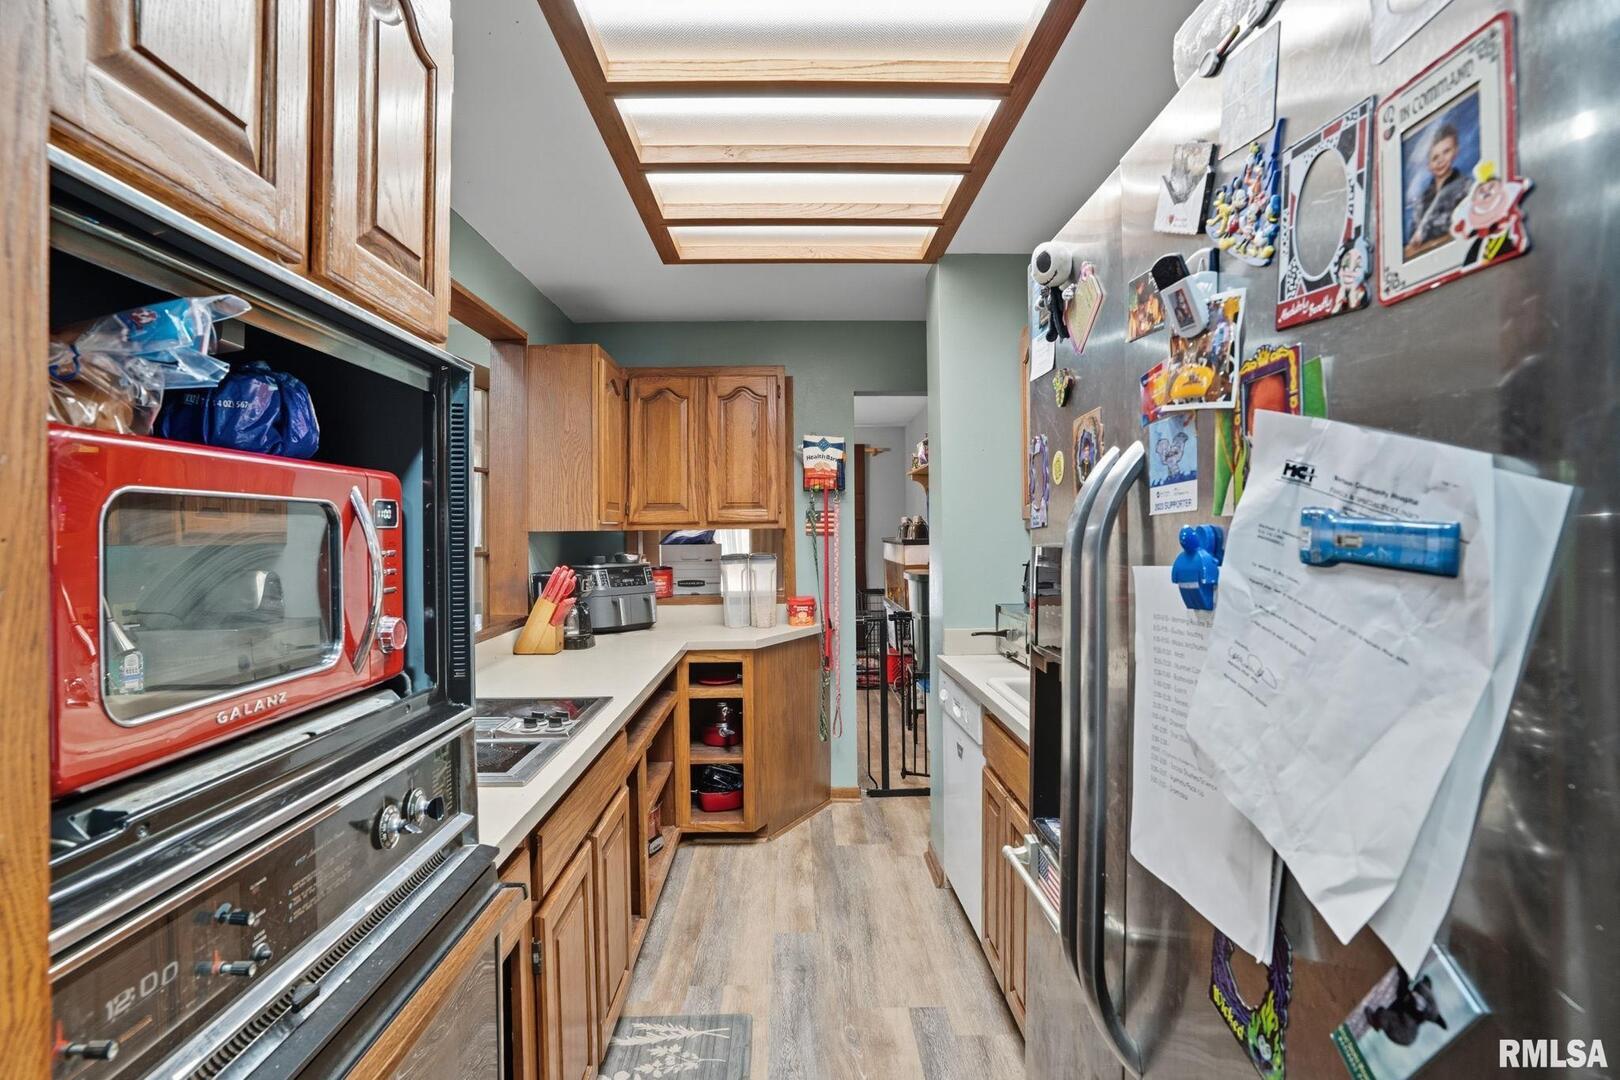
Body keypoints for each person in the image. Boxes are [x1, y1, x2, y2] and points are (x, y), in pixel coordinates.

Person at [1404, 122, 1470, 258]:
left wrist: (1428, 246)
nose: (1441, 161)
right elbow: (1409, 250)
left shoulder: (1467, 188)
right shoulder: (1421, 201)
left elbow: (1467, 231)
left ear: (1456, 151)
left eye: (1446, 152)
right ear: (1427, 164)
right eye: (1434, 157)